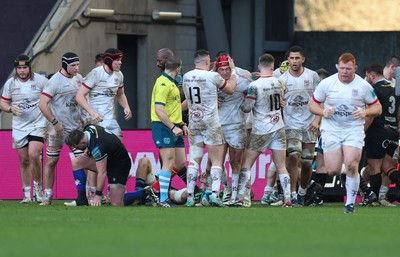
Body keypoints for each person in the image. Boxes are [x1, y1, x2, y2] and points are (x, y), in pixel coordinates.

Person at [308, 53, 382, 213]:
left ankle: (349, 204)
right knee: (332, 169)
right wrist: (322, 111)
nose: (345, 72)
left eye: (348, 69)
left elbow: (378, 108)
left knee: (351, 163)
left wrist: (365, 112)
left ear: (354, 68)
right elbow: (312, 104)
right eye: (342, 68)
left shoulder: (363, 86)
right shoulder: (327, 84)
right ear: (337, 67)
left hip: (353, 130)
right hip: (331, 130)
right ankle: (347, 175)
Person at [183, 49, 236, 207]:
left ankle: (191, 196)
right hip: (211, 123)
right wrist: (232, 71)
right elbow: (231, 89)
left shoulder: (186, 76)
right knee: (217, 160)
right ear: (208, 62)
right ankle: (214, 194)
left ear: (195, 62)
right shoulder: (213, 76)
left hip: (194, 121)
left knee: (194, 160)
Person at [240, 53, 292, 207]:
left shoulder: (254, 86)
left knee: (247, 164)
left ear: (259, 67)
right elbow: (285, 92)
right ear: (273, 67)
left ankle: (244, 197)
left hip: (261, 129)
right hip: (279, 127)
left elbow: (246, 108)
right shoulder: (280, 82)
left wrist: (243, 100)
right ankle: (288, 199)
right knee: (281, 165)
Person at [39, 52, 88, 206]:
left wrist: (85, 118)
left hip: (75, 129)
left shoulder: (79, 79)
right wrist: (55, 123)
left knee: (83, 160)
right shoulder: (54, 81)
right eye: (73, 65)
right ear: (65, 65)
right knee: (52, 161)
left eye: (77, 64)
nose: (76, 68)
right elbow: (42, 104)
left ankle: (85, 195)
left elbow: (82, 100)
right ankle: (47, 196)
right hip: (57, 129)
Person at [0, 54, 48, 203]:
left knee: (34, 155)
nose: (22, 71)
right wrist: (10, 109)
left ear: (30, 67)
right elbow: (3, 103)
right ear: (16, 69)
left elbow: (50, 97)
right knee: (24, 160)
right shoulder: (10, 83)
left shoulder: (40, 81)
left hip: (37, 124)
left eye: (24, 67)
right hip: (19, 126)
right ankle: (27, 194)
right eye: (19, 68)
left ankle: (38, 190)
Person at [279, 45, 320, 206]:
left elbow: (320, 99)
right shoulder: (282, 80)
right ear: (287, 60)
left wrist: (317, 121)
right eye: (291, 58)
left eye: (297, 58)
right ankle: (293, 194)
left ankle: (303, 192)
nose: (294, 61)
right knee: (294, 156)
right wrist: (280, 102)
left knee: (307, 162)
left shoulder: (313, 76)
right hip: (291, 125)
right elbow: (276, 101)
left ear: (303, 59)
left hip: (309, 125)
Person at [212, 51, 252, 205]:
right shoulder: (212, 78)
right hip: (217, 125)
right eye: (221, 69)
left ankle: (239, 194)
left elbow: (257, 91)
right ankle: (226, 190)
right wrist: (213, 101)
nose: (225, 71)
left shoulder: (243, 77)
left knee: (236, 161)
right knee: (216, 161)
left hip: (237, 125)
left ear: (232, 63)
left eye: (227, 67)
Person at [151, 55, 188, 207]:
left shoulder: (171, 83)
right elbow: (159, 110)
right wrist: (173, 127)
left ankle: (156, 188)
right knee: (168, 162)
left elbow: (172, 109)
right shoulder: (163, 83)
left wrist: (182, 124)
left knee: (179, 163)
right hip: (164, 126)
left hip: (175, 126)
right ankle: (162, 198)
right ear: (178, 68)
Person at [65, 124, 131, 206]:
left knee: (116, 203)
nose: (76, 149)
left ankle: (144, 194)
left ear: (83, 142)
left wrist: (98, 195)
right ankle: (81, 199)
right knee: (76, 162)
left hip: (119, 165)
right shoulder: (88, 128)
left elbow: (102, 172)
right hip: (109, 158)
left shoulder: (97, 147)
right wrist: (89, 149)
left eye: (77, 147)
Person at [76, 48, 132, 139]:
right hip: (95, 120)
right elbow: (79, 96)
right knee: (97, 151)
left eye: (120, 60)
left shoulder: (119, 75)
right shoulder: (95, 74)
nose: (120, 63)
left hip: (110, 120)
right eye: (117, 60)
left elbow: (120, 94)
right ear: (109, 61)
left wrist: (126, 106)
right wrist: (92, 113)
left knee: (118, 148)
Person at [364, 63, 400, 205]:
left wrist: (362, 131)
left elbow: (371, 114)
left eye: (367, 76)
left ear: (372, 75)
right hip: (393, 131)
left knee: (374, 167)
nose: (366, 79)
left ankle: (373, 201)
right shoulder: (394, 88)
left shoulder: (373, 89)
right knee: (387, 166)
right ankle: (378, 198)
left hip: (378, 131)